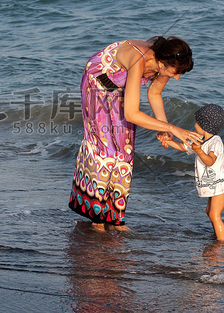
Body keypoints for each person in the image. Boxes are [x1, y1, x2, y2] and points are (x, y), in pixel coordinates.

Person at [68, 36, 201, 231]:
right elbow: (131, 113)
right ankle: (97, 217)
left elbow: (154, 93)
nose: (177, 77)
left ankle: (115, 217)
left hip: (119, 87)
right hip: (97, 82)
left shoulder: (164, 63)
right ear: (163, 63)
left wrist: (164, 128)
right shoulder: (140, 60)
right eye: (176, 72)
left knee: (125, 151)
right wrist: (172, 128)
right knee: (105, 149)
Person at [163, 104, 224, 242]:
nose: (194, 124)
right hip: (213, 186)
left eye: (197, 121)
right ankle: (216, 236)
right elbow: (183, 147)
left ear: (204, 124)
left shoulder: (215, 141)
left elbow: (210, 161)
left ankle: (221, 243)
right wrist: (168, 141)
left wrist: (200, 151)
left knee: (214, 214)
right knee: (210, 212)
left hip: (220, 186)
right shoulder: (200, 139)